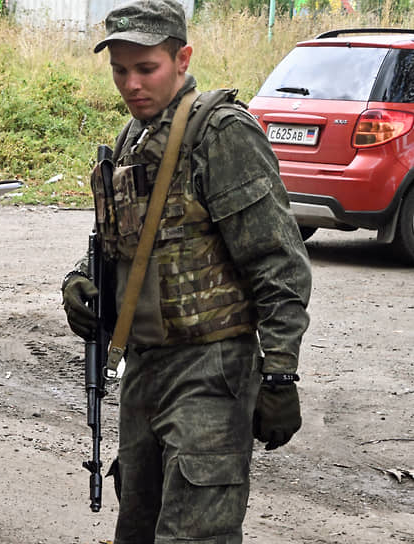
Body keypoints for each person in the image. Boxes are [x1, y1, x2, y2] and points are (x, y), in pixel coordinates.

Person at [61, 0, 312, 541]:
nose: (131, 84)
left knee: (195, 533)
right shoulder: (135, 136)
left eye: (145, 68)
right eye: (119, 70)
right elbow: (123, 240)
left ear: (182, 59)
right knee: (138, 527)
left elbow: (279, 261)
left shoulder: (220, 134)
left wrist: (280, 373)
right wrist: (82, 281)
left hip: (210, 367)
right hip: (145, 365)